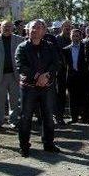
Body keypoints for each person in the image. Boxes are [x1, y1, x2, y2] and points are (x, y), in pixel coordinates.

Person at [15, 20, 60, 157]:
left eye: (39, 27)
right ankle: (24, 146)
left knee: (48, 116)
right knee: (25, 117)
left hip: (46, 87)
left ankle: (48, 143)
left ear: (44, 31)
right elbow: (21, 66)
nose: (36, 30)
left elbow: (56, 63)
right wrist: (37, 76)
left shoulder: (50, 46)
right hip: (28, 89)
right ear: (27, 30)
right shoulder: (22, 47)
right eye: (33, 27)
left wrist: (46, 76)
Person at [0, 20, 25, 129]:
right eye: (4, 26)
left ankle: (13, 120)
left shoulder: (19, 39)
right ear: (0, 28)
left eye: (9, 26)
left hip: (14, 75)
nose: (7, 28)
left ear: (13, 28)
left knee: (14, 100)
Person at [62, 29, 89, 123]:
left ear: (81, 36)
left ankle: (85, 117)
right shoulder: (65, 50)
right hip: (71, 77)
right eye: (73, 35)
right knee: (72, 98)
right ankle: (74, 118)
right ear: (70, 36)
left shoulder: (86, 47)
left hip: (83, 77)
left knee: (84, 97)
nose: (75, 37)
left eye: (77, 35)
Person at [54, 20, 72, 125]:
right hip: (60, 71)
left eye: (69, 27)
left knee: (72, 93)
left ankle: (73, 115)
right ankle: (58, 116)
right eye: (66, 27)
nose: (68, 28)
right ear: (62, 28)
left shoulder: (73, 38)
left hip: (71, 71)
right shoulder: (57, 39)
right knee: (60, 95)